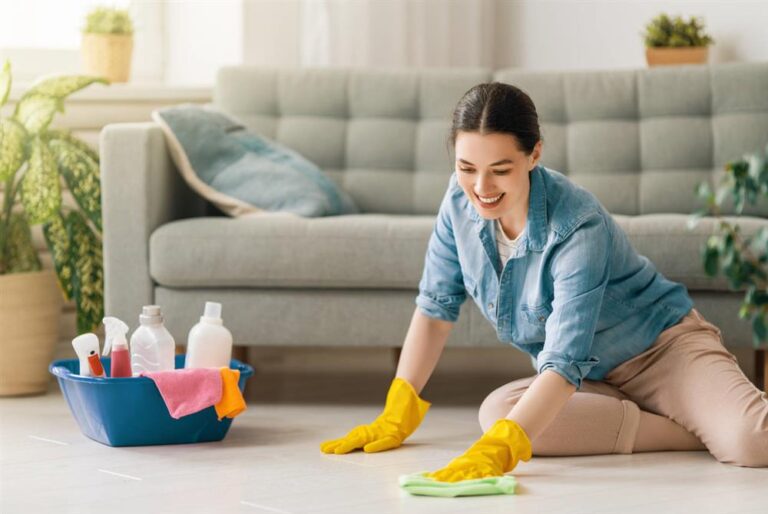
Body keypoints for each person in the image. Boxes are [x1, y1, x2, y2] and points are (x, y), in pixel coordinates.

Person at [319, 82, 768, 480]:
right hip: (590, 378)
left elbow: (563, 359)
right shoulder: (458, 202)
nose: (480, 187)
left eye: (500, 169)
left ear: (534, 154)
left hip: (662, 352)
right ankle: (695, 427)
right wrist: (399, 408)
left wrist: (500, 452)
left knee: (751, 442)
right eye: (466, 167)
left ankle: (715, 420)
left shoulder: (577, 224)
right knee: (498, 414)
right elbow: (436, 307)